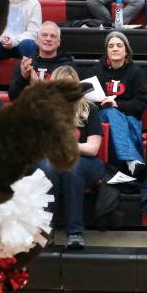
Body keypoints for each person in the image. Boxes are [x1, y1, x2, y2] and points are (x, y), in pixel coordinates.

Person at [39, 66, 105, 250]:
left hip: (87, 163)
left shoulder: (89, 109)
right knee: (50, 166)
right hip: (51, 161)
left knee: (71, 167)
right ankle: (45, 230)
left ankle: (74, 233)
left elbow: (93, 148)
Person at [84, 31, 147, 174]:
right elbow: (85, 100)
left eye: (119, 45)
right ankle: (132, 159)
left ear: (126, 51)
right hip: (100, 117)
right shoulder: (95, 71)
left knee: (113, 112)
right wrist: (104, 103)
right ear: (107, 51)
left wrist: (117, 104)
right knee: (109, 112)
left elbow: (141, 103)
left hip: (129, 117)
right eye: (111, 46)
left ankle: (119, 170)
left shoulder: (137, 72)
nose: (115, 48)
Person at [8, 21, 75, 100]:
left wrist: (38, 85)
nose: (48, 39)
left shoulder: (68, 66)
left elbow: (70, 98)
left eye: (53, 36)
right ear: (37, 40)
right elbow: (13, 97)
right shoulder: (25, 64)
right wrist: (23, 77)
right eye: (44, 35)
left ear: (59, 42)